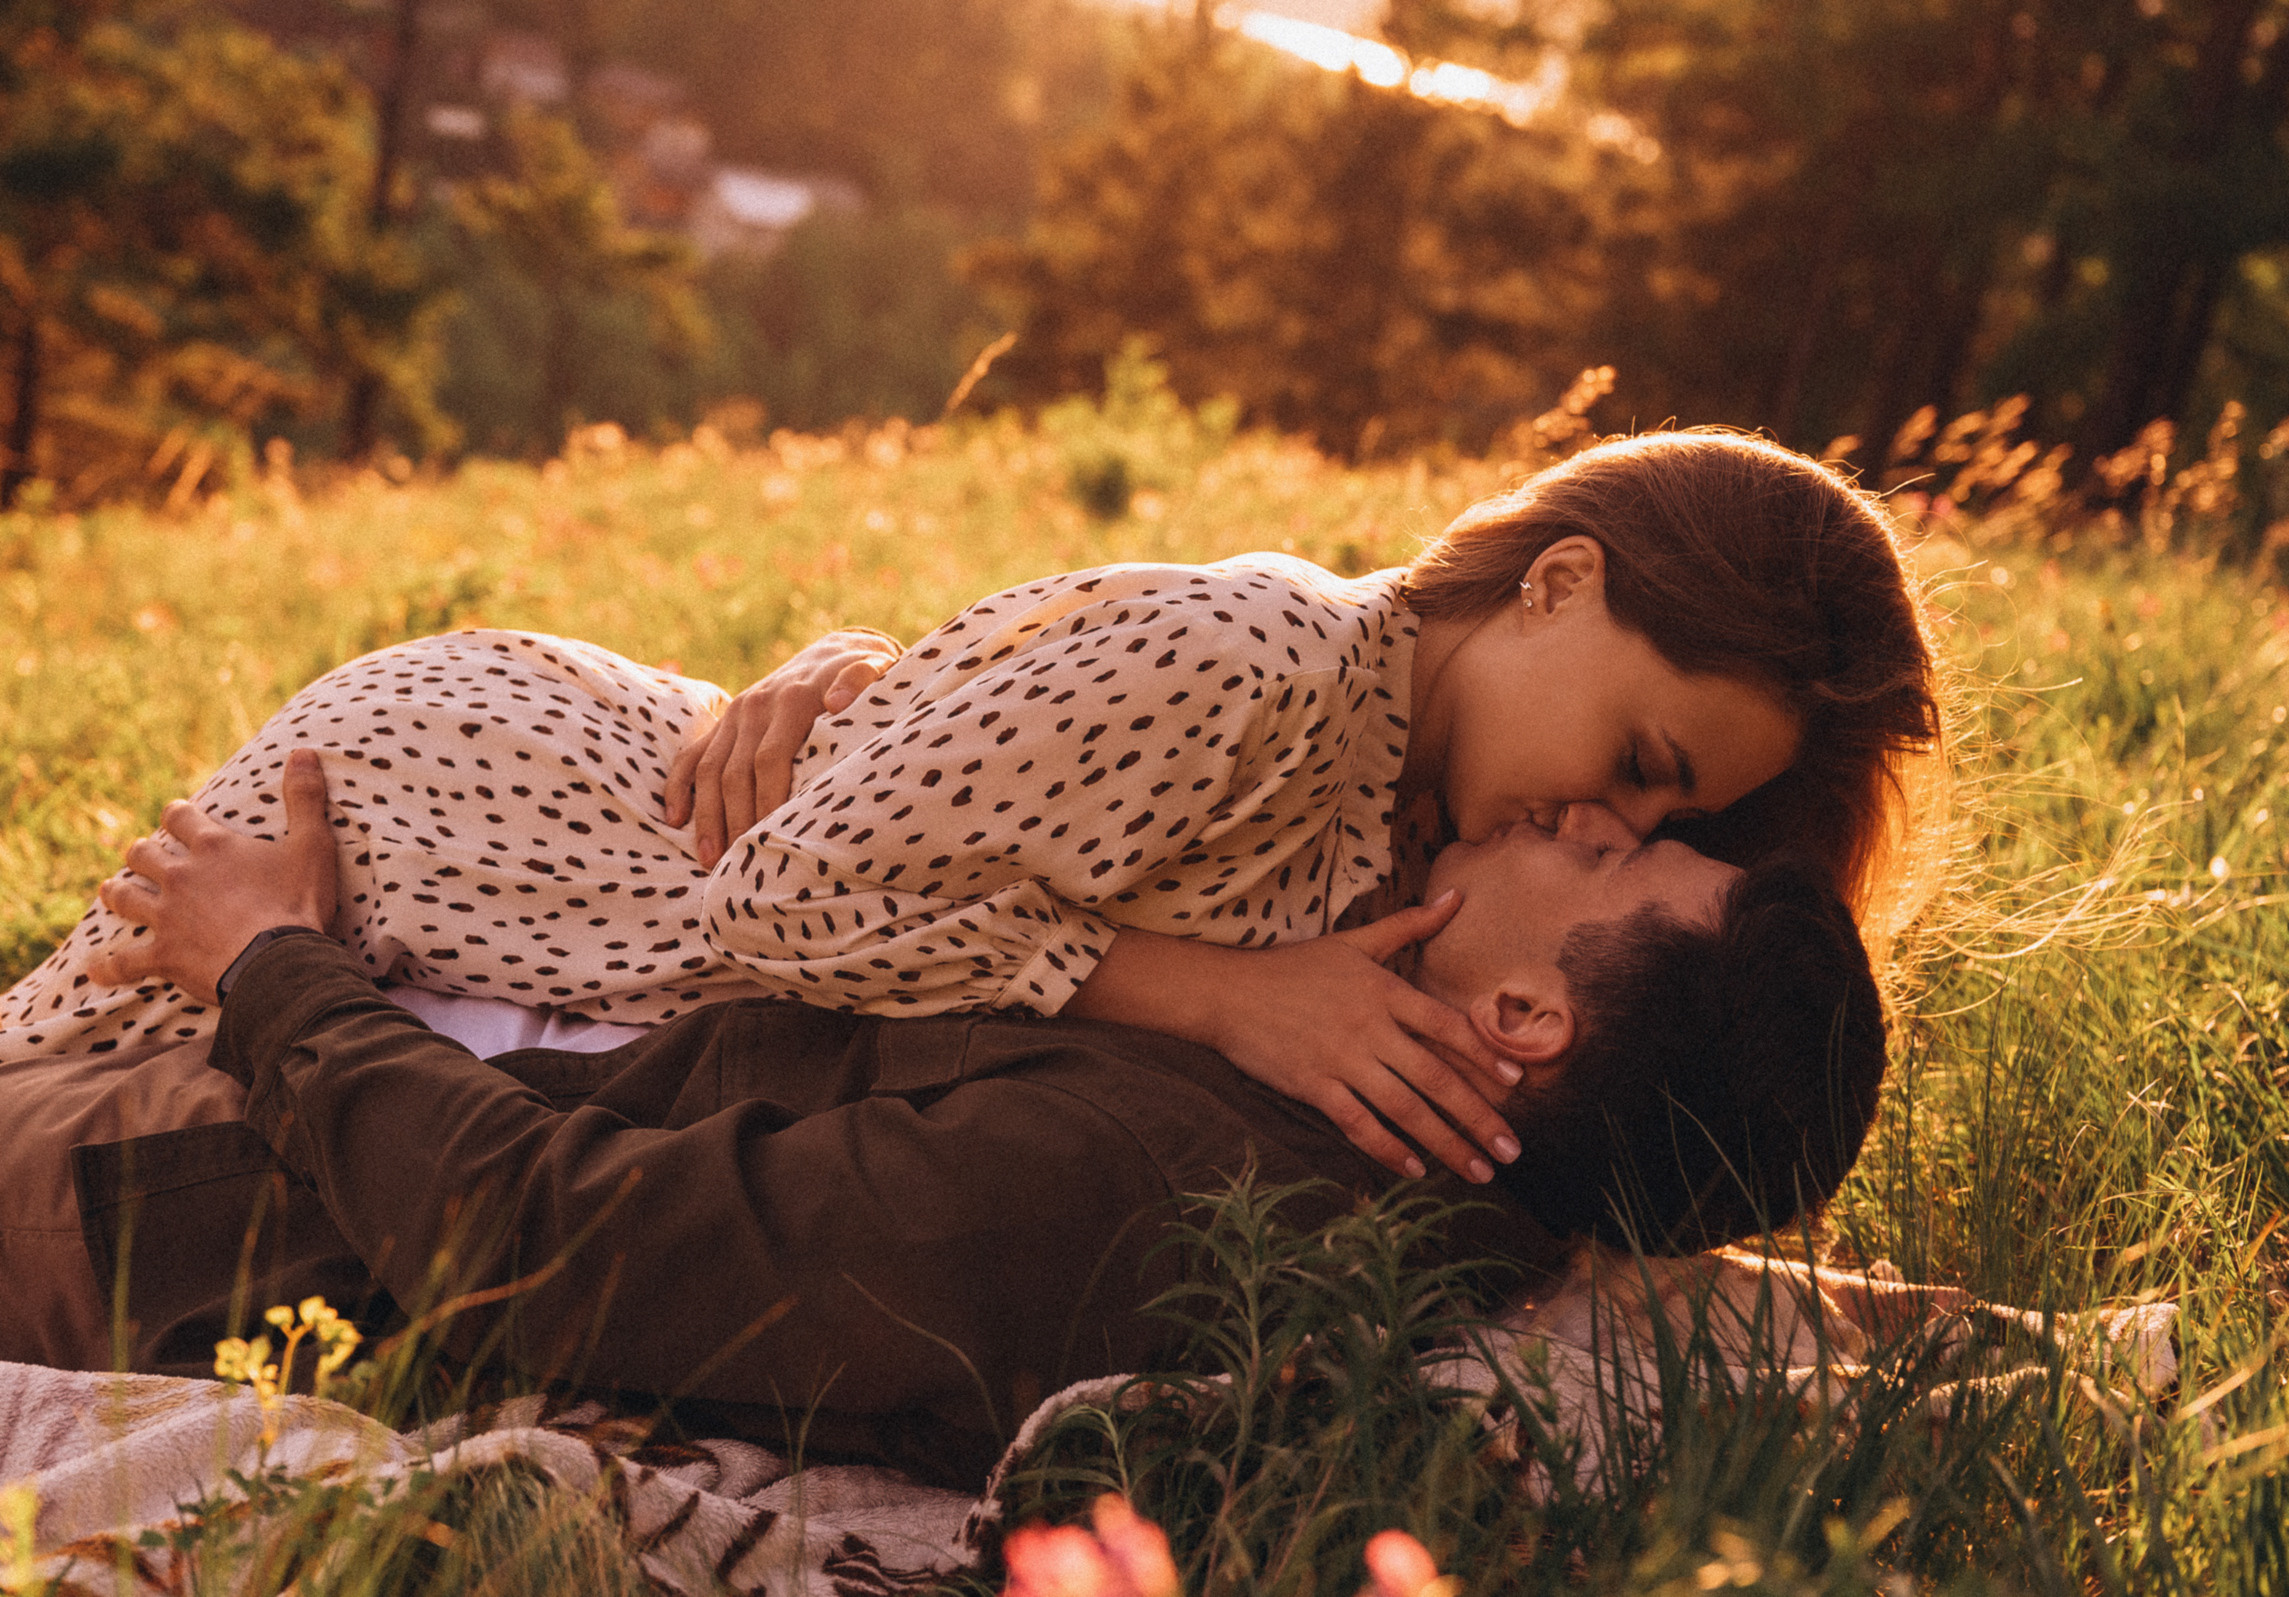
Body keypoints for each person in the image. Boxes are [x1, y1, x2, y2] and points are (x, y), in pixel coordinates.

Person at [0, 430, 1939, 1188]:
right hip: (464, 809)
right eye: (1639, 763)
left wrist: (866, 673)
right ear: (1560, 581)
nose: (1604, 824)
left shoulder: (1398, 810)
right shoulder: (1264, 664)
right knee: (52, 1092)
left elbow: (978, 761)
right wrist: (1206, 993)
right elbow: (788, 906)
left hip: (594, 933)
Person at [0, 750, 1886, 1485]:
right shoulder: (1349, 1103)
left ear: (1526, 1020)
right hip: (369, 1077)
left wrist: (269, 966)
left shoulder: (1151, 1190)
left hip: (201, 1207)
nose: (1569, 810)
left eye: (1612, 850)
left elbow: (539, 1240)